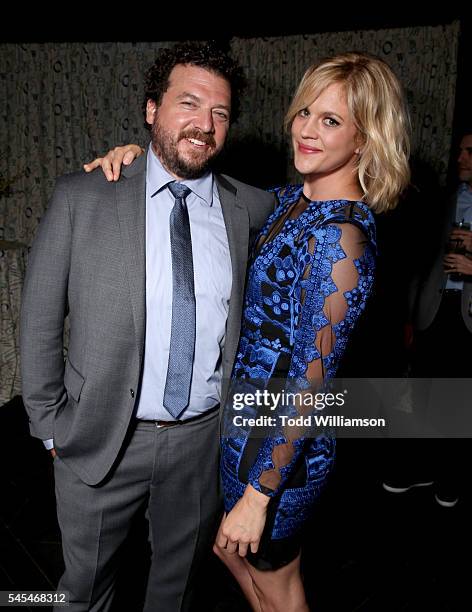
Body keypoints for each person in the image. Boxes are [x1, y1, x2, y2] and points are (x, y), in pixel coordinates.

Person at [89, 52, 410, 611]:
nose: (307, 129)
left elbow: (315, 385)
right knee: (230, 552)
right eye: (305, 112)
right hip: (244, 425)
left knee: (280, 586)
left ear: (365, 140)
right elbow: (209, 192)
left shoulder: (341, 238)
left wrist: (261, 495)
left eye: (331, 121)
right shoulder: (290, 202)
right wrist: (143, 160)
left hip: (279, 448)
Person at [20, 41, 275, 612]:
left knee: (177, 590)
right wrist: (49, 426)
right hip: (100, 435)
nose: (204, 125)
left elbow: (325, 203)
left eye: (220, 113)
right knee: (81, 592)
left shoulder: (250, 209)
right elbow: (38, 321)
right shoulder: (83, 197)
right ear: (151, 110)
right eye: (189, 103)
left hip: (200, 443)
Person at [382, 130, 472, 507]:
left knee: (457, 400)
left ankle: (449, 478)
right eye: (461, 151)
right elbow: (420, 260)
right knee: (420, 394)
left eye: (469, 152)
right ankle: (418, 468)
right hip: (433, 311)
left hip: (468, 317)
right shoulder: (447, 199)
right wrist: (410, 313)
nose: (460, 158)